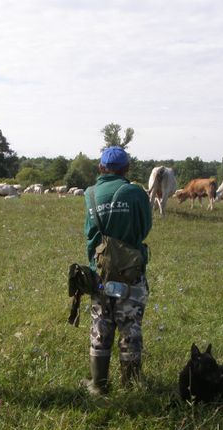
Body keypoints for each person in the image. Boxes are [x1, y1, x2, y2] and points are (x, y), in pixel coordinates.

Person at [83, 146, 152, 395]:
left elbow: (90, 235)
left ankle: (98, 384)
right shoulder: (135, 193)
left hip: (100, 273)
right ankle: (131, 384)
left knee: (100, 325)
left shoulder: (89, 194)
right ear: (126, 169)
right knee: (130, 324)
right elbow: (144, 228)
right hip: (130, 272)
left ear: (101, 167)